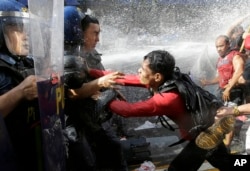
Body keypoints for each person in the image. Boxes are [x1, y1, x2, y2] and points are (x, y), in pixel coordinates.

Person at [89, 50, 232, 171]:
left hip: (204, 139)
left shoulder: (167, 98)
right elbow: (126, 78)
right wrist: (92, 73)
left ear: (157, 76)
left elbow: (128, 110)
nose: (139, 71)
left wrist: (101, 96)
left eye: (143, 69)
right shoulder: (169, 79)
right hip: (206, 133)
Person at [63, 8, 128, 171]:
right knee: (88, 163)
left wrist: (108, 87)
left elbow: (98, 84)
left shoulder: (92, 55)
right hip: (74, 120)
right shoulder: (66, 58)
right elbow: (73, 93)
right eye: (94, 33)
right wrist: (101, 83)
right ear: (80, 34)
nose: (98, 39)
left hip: (94, 115)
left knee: (114, 148)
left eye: (99, 33)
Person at [0, 0, 40, 170]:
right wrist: (20, 91)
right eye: (16, 28)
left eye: (25, 28)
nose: (26, 35)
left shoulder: (26, 63)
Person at [200, 35, 245, 152]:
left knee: (228, 118)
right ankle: (222, 144)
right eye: (217, 47)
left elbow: (239, 70)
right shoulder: (220, 59)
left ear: (228, 44)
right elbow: (220, 77)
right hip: (222, 91)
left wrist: (229, 88)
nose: (219, 49)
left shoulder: (235, 56)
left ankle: (227, 147)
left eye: (221, 46)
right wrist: (208, 82)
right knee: (217, 116)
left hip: (234, 92)